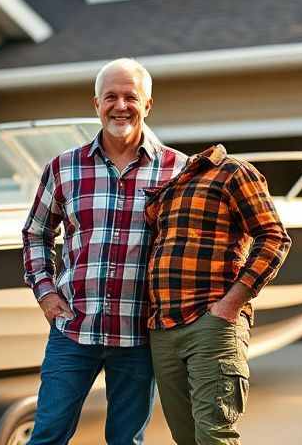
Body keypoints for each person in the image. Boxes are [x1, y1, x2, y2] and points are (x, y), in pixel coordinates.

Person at [22, 58, 188, 444]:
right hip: (73, 329)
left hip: (139, 335)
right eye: (110, 96)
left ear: (148, 105)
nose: (121, 105)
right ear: (96, 104)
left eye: (131, 96)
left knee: (126, 441)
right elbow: (35, 233)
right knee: (47, 433)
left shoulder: (178, 171)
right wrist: (46, 293)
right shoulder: (63, 168)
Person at [144, 144, 292, 445]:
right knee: (185, 437)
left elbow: (274, 237)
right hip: (163, 329)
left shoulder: (233, 172)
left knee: (214, 436)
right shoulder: (168, 188)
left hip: (211, 324)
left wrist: (230, 304)